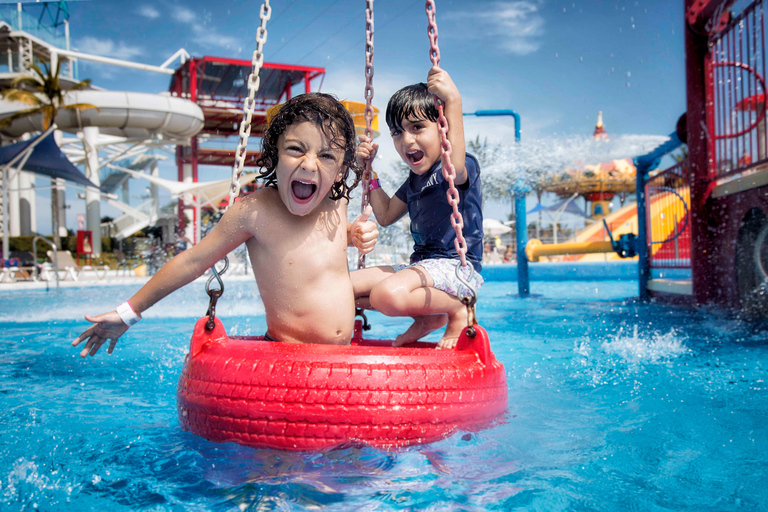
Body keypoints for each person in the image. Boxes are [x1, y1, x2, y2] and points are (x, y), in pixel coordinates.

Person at [72, 93, 379, 357]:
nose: (309, 164)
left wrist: (354, 233)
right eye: (296, 149)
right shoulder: (255, 212)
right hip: (288, 355)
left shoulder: (336, 203)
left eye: (326, 156)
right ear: (274, 155)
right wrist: (128, 313)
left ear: (340, 171)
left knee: (398, 280)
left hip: (343, 354)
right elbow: (192, 261)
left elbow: (323, 245)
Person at [352, 66, 484, 349]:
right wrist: (368, 172)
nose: (406, 140)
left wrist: (453, 101)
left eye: (417, 127)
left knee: (385, 295)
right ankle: (430, 317)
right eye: (397, 133)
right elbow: (386, 215)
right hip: (423, 266)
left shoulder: (457, 167)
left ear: (442, 127)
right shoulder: (413, 182)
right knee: (344, 287)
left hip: (457, 269)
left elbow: (456, 167)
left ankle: (458, 309)